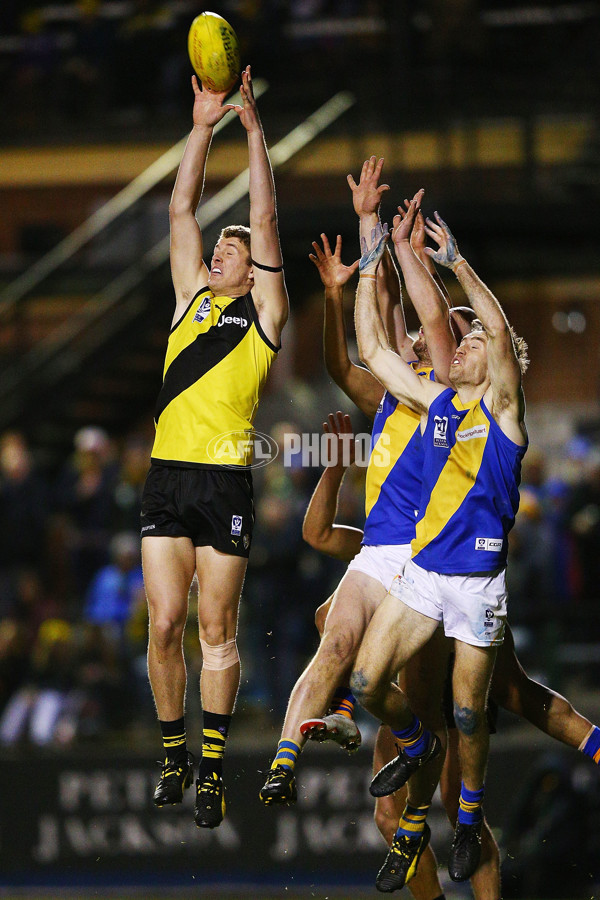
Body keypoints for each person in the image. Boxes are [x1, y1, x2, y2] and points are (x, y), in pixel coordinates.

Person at [259, 160, 473, 894]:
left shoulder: (451, 400)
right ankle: (310, 743)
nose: (413, 344)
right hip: (389, 557)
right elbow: (354, 349)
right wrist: (366, 245)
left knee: (455, 801)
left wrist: (407, 254)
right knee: (394, 814)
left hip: (437, 576)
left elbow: (425, 323)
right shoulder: (392, 396)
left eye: (432, 344)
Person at [305, 412, 600, 900]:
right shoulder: (383, 547)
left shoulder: (447, 537)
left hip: (449, 653)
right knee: (400, 807)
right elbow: (318, 541)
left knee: (498, 715)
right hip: (413, 694)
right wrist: (334, 466)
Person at [350, 203, 528, 887]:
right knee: (367, 683)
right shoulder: (436, 401)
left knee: (466, 710)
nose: (462, 348)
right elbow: (373, 352)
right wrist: (372, 261)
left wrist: (457, 263)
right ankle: (416, 745)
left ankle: (472, 811)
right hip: (425, 575)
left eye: (473, 343)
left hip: (477, 584)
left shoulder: (504, 410)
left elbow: (503, 338)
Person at [141, 65, 288, 830]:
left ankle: (215, 766)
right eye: (221, 246)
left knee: (215, 631)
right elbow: (180, 206)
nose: (225, 248)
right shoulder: (189, 298)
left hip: (225, 480)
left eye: (235, 247)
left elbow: (264, 220)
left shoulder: (264, 314)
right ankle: (175, 755)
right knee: (164, 624)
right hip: (168, 478)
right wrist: (202, 126)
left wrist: (254, 131)